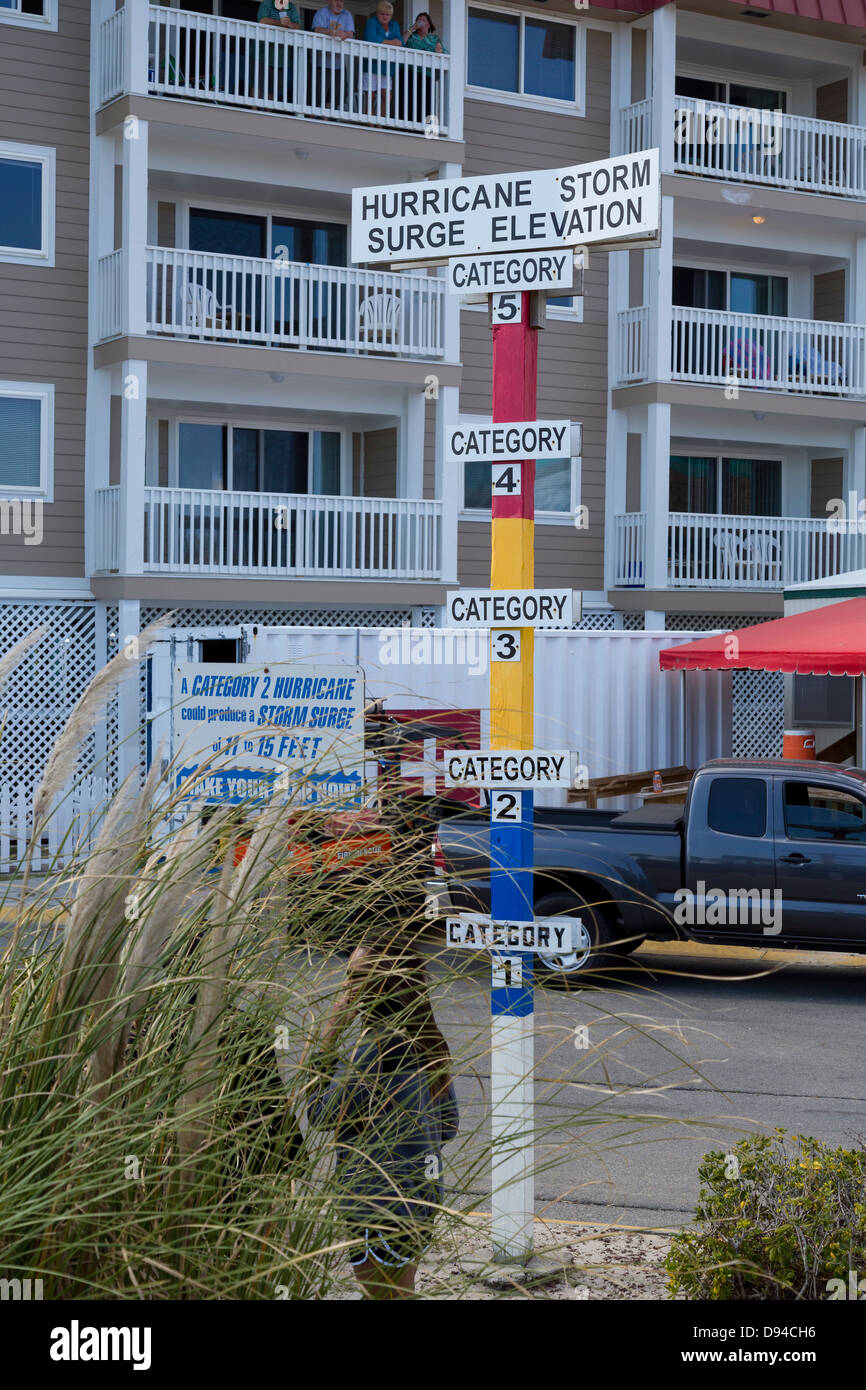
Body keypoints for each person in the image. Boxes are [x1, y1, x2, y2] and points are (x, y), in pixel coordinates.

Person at [307, 942, 458, 1299]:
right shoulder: (428, 1044)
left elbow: (319, 1114)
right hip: (421, 1195)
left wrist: (328, 1036)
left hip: (373, 1202)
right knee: (398, 1292)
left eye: (357, 978)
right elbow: (448, 1124)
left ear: (384, 985)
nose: (346, 988)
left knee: (383, 1295)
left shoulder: (371, 1051)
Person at [362, 2, 403, 122]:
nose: (385, 17)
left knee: (386, 96)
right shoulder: (372, 22)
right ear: (377, 13)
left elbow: (400, 42)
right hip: (371, 65)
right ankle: (370, 122)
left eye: (388, 14)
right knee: (371, 95)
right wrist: (391, 42)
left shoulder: (394, 25)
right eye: (382, 14)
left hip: (387, 66)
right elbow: (372, 39)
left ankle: (380, 122)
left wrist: (386, 42)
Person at [312, 0, 356, 111]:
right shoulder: (322, 13)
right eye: (337, 0)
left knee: (335, 97)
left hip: (338, 65)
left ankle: (327, 121)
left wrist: (345, 34)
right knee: (316, 96)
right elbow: (317, 29)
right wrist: (330, 32)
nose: (340, 3)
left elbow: (350, 34)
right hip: (321, 64)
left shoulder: (347, 15)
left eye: (342, 1)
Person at [256, 0, 301, 104]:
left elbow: (297, 26)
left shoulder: (291, 7)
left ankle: (268, 113)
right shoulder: (267, 4)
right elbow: (262, 20)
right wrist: (280, 23)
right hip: (261, 52)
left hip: (281, 56)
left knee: (274, 88)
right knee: (257, 83)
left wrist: (290, 24)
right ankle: (254, 110)